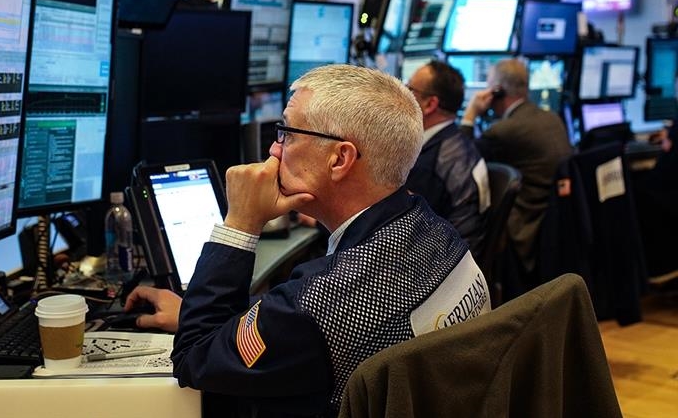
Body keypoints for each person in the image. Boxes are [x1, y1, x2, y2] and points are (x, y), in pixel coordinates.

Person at [125, 64, 491, 417]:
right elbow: (300, 317)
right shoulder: (435, 231)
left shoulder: (317, 307)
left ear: (340, 158)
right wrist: (201, 314)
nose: (274, 150)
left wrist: (240, 224)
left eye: (287, 133)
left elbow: (195, 357)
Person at [460, 58, 572, 295]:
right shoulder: (552, 118)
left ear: (497, 91)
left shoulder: (504, 131)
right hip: (552, 221)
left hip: (523, 225)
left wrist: (470, 114)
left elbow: (462, 159)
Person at [405, 60, 490, 259]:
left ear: (430, 104)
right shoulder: (457, 143)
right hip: (461, 257)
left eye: (410, 89)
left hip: (442, 264)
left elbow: (401, 231)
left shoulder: (429, 165)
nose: (403, 95)